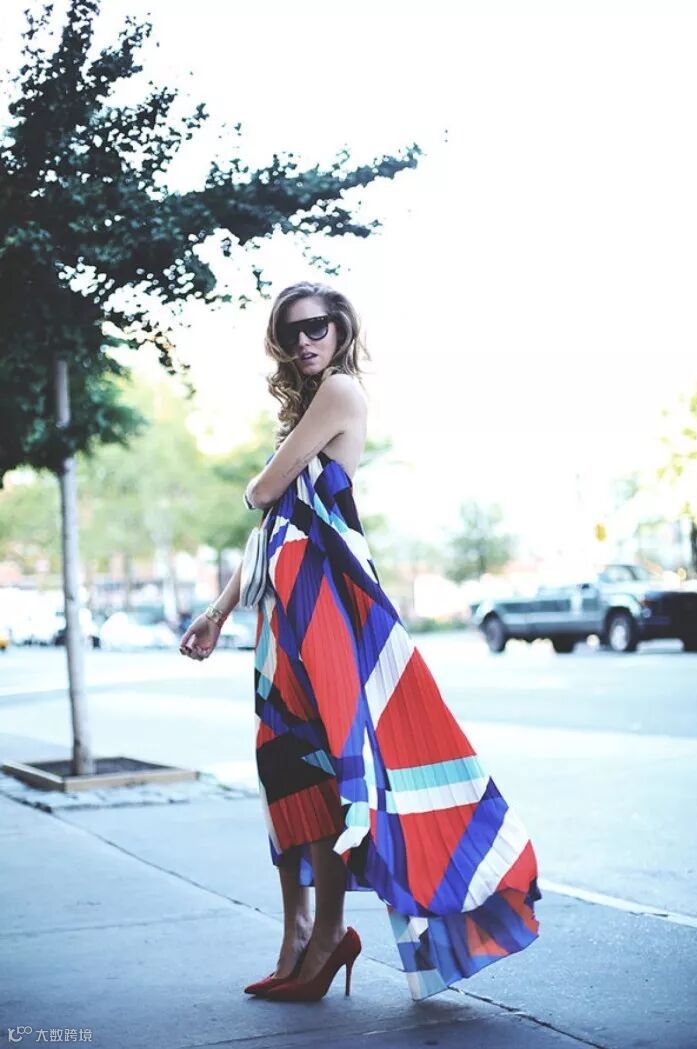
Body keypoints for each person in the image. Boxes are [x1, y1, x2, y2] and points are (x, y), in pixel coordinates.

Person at [179, 280, 542, 1003]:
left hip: (327, 610)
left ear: (341, 328)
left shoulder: (340, 392)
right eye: (291, 332)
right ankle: (298, 933)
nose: (304, 341)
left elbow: (261, 493)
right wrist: (219, 610)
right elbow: (273, 526)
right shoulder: (306, 412)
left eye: (316, 326)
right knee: (284, 764)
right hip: (284, 609)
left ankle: (325, 936)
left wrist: (259, 482)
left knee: (322, 765)